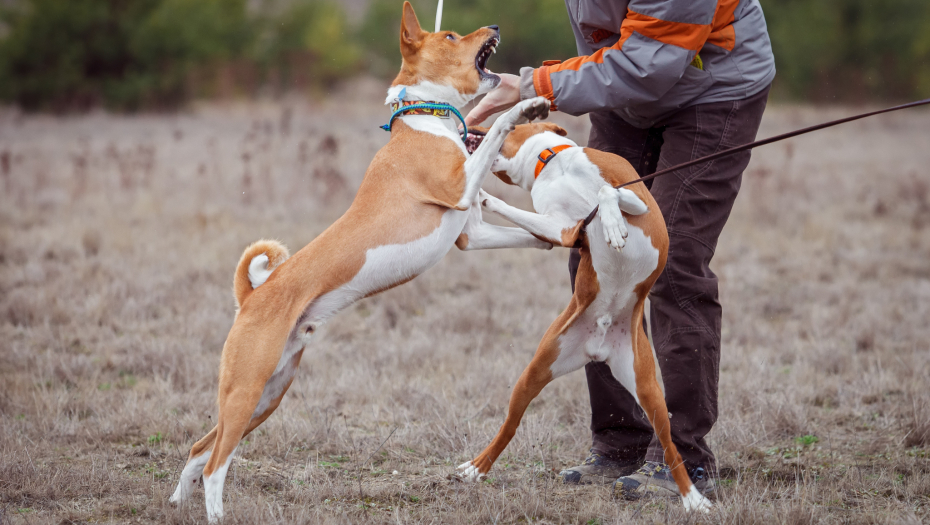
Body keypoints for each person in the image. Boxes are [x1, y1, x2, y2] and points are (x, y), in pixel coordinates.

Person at [465, 0, 775, 500]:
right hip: (628, 96)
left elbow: (647, 66)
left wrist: (529, 86)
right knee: (590, 245)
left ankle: (684, 456)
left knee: (672, 261)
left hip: (713, 90)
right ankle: (619, 443)